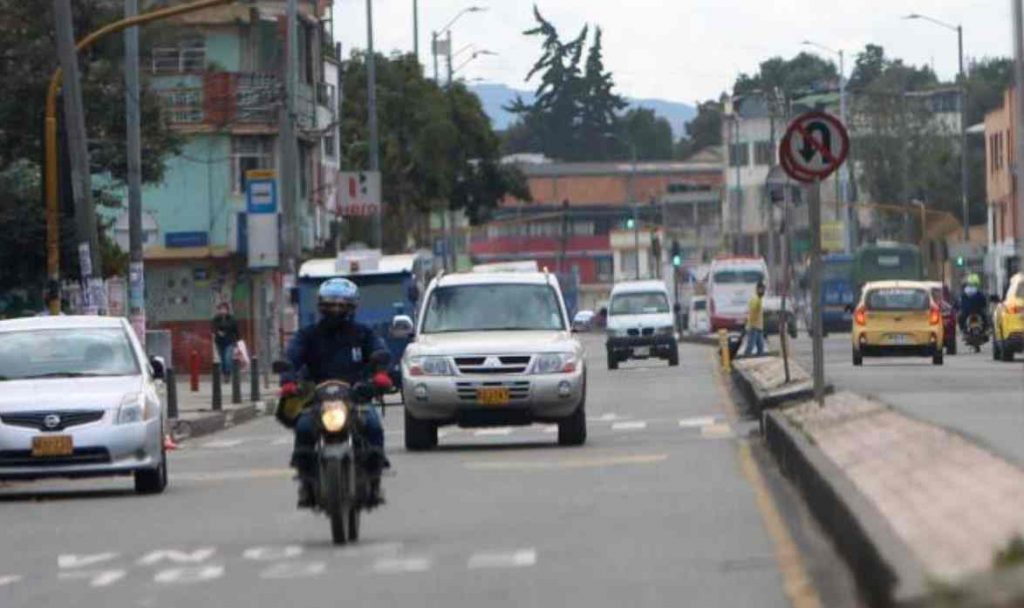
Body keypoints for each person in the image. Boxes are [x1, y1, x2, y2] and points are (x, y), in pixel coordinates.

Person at [281, 278, 392, 508]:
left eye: (342, 305)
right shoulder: (308, 335)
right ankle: (306, 482)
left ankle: (374, 480)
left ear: (352, 307)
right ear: (321, 306)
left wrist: (380, 374)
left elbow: (380, 351)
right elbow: (291, 357)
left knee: (372, 425)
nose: (336, 310)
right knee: (302, 427)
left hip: (355, 396)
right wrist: (288, 379)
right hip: (316, 397)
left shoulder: (363, 334)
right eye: (331, 304)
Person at [211, 302, 239, 381]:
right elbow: (213, 328)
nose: (223, 311)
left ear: (227, 310)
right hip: (219, 342)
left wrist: (238, 341)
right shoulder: (216, 318)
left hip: (229, 341)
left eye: (224, 309)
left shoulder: (231, 319)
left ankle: (228, 373)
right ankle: (224, 374)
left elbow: (236, 330)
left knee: (227, 358)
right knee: (222, 359)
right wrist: (218, 332)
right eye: (221, 309)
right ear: (219, 310)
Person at [744, 281, 767, 357]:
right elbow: (753, 310)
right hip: (754, 327)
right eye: (761, 289)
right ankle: (746, 359)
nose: (762, 291)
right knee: (750, 346)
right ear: (757, 289)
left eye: (763, 290)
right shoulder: (755, 298)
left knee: (760, 347)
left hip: (758, 327)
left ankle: (759, 361)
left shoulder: (758, 298)